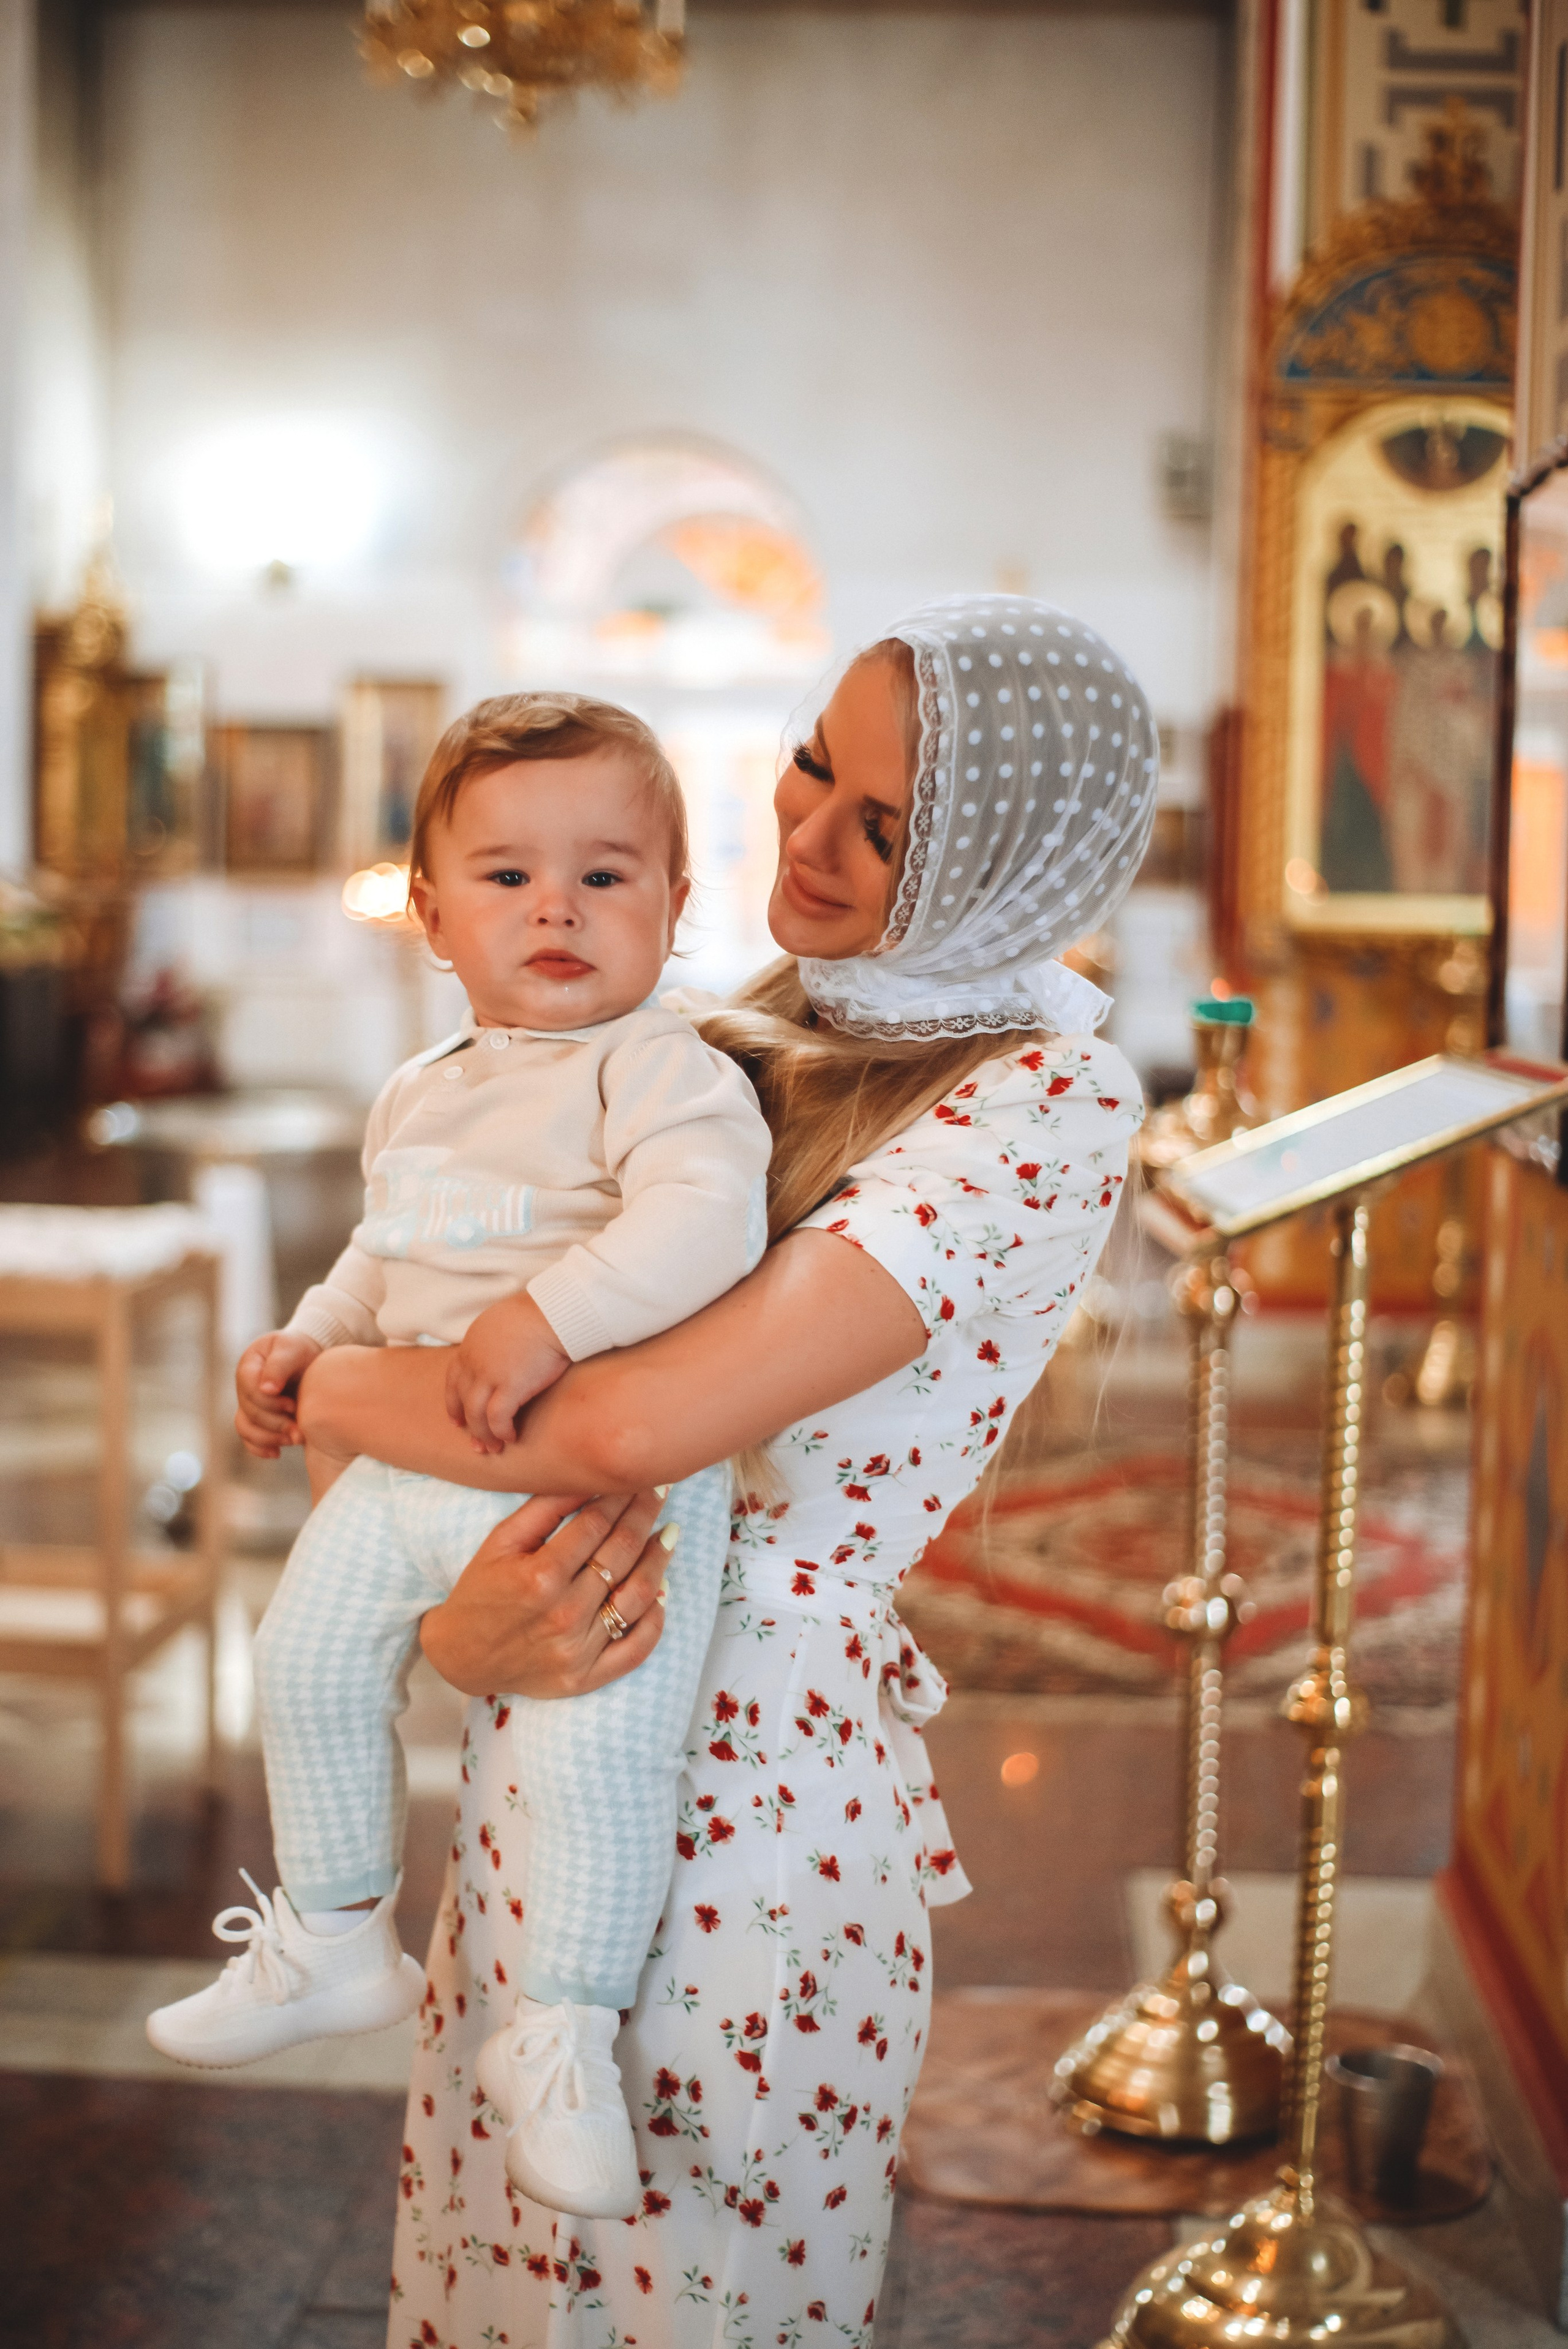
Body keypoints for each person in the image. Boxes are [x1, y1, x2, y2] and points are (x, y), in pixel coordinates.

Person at [296, 594, 1156, 2346]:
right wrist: (454, 1630)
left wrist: (316, 1382)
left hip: (748, 1803)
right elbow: (473, 1285)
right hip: (556, 1726)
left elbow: (627, 1425)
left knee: (678, 2295)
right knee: (498, 2286)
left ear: (1001, 857)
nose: (810, 834)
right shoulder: (750, 1018)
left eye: (888, 823)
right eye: (810, 763)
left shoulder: (1048, 1089)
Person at [146, 694, 773, 2225]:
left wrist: (549, 1314)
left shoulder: (660, 1066)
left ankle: (557, 2035)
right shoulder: (421, 1090)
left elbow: (707, 1220)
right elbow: (382, 1251)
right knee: (296, 1660)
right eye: (504, 876)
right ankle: (334, 1930)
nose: (555, 904)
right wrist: (304, 1344)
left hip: (589, 1484)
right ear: (432, 914)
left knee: (589, 1758)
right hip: (406, 1475)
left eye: (605, 875)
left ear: (677, 907)